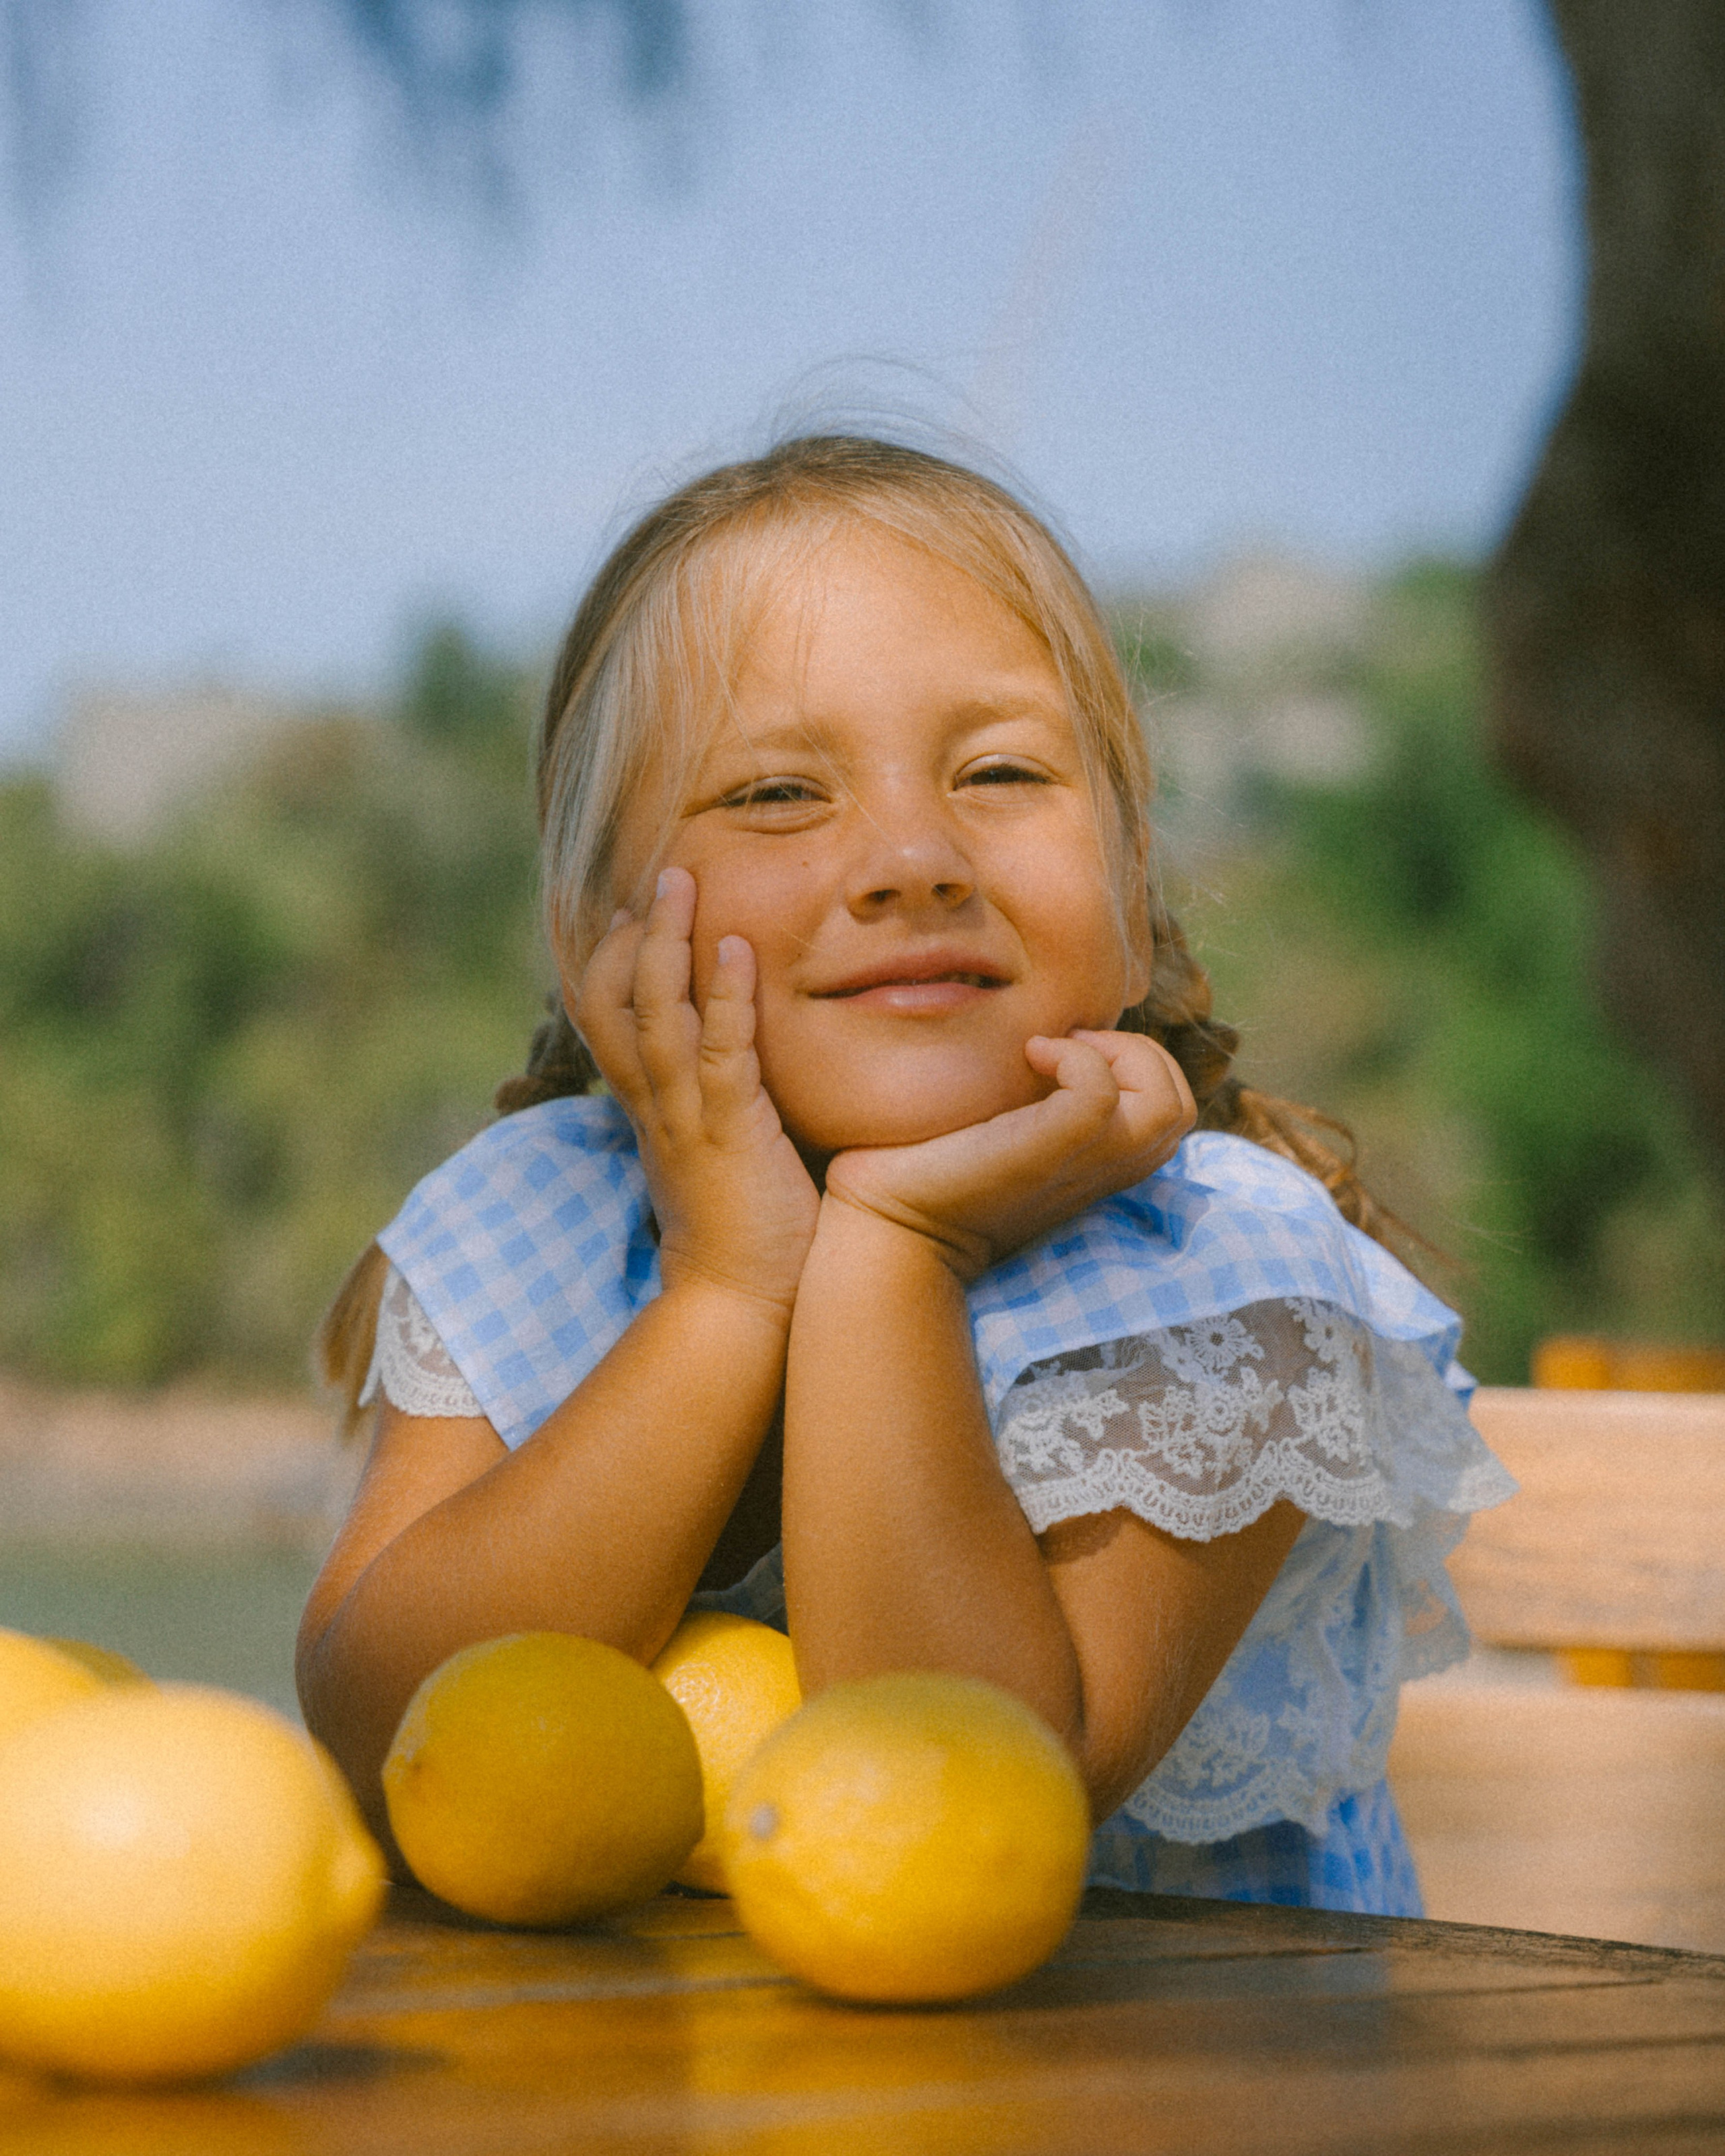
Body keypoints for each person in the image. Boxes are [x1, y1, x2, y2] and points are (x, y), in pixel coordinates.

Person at [297, 434, 1513, 1911]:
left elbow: (953, 1786)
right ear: (592, 929)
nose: (914, 855)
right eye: (774, 794)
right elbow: (388, 1732)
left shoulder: (1221, 1268)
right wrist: (725, 1289)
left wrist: (892, 1247)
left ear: (1131, 899)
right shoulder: (537, 1215)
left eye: (999, 771)